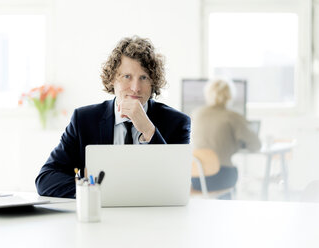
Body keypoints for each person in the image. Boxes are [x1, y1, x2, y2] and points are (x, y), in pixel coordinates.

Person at [35, 36, 191, 198]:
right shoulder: (84, 120)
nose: (135, 88)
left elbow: (177, 185)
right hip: (101, 216)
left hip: (154, 216)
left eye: (143, 78)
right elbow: (46, 179)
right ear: (112, 79)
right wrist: (96, 190)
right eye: (127, 77)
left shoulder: (178, 122)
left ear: (153, 82)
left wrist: (147, 129)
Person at [191, 79, 260, 193]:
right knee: (231, 175)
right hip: (222, 177)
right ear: (229, 96)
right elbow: (256, 145)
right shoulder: (232, 116)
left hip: (196, 178)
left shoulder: (196, 114)